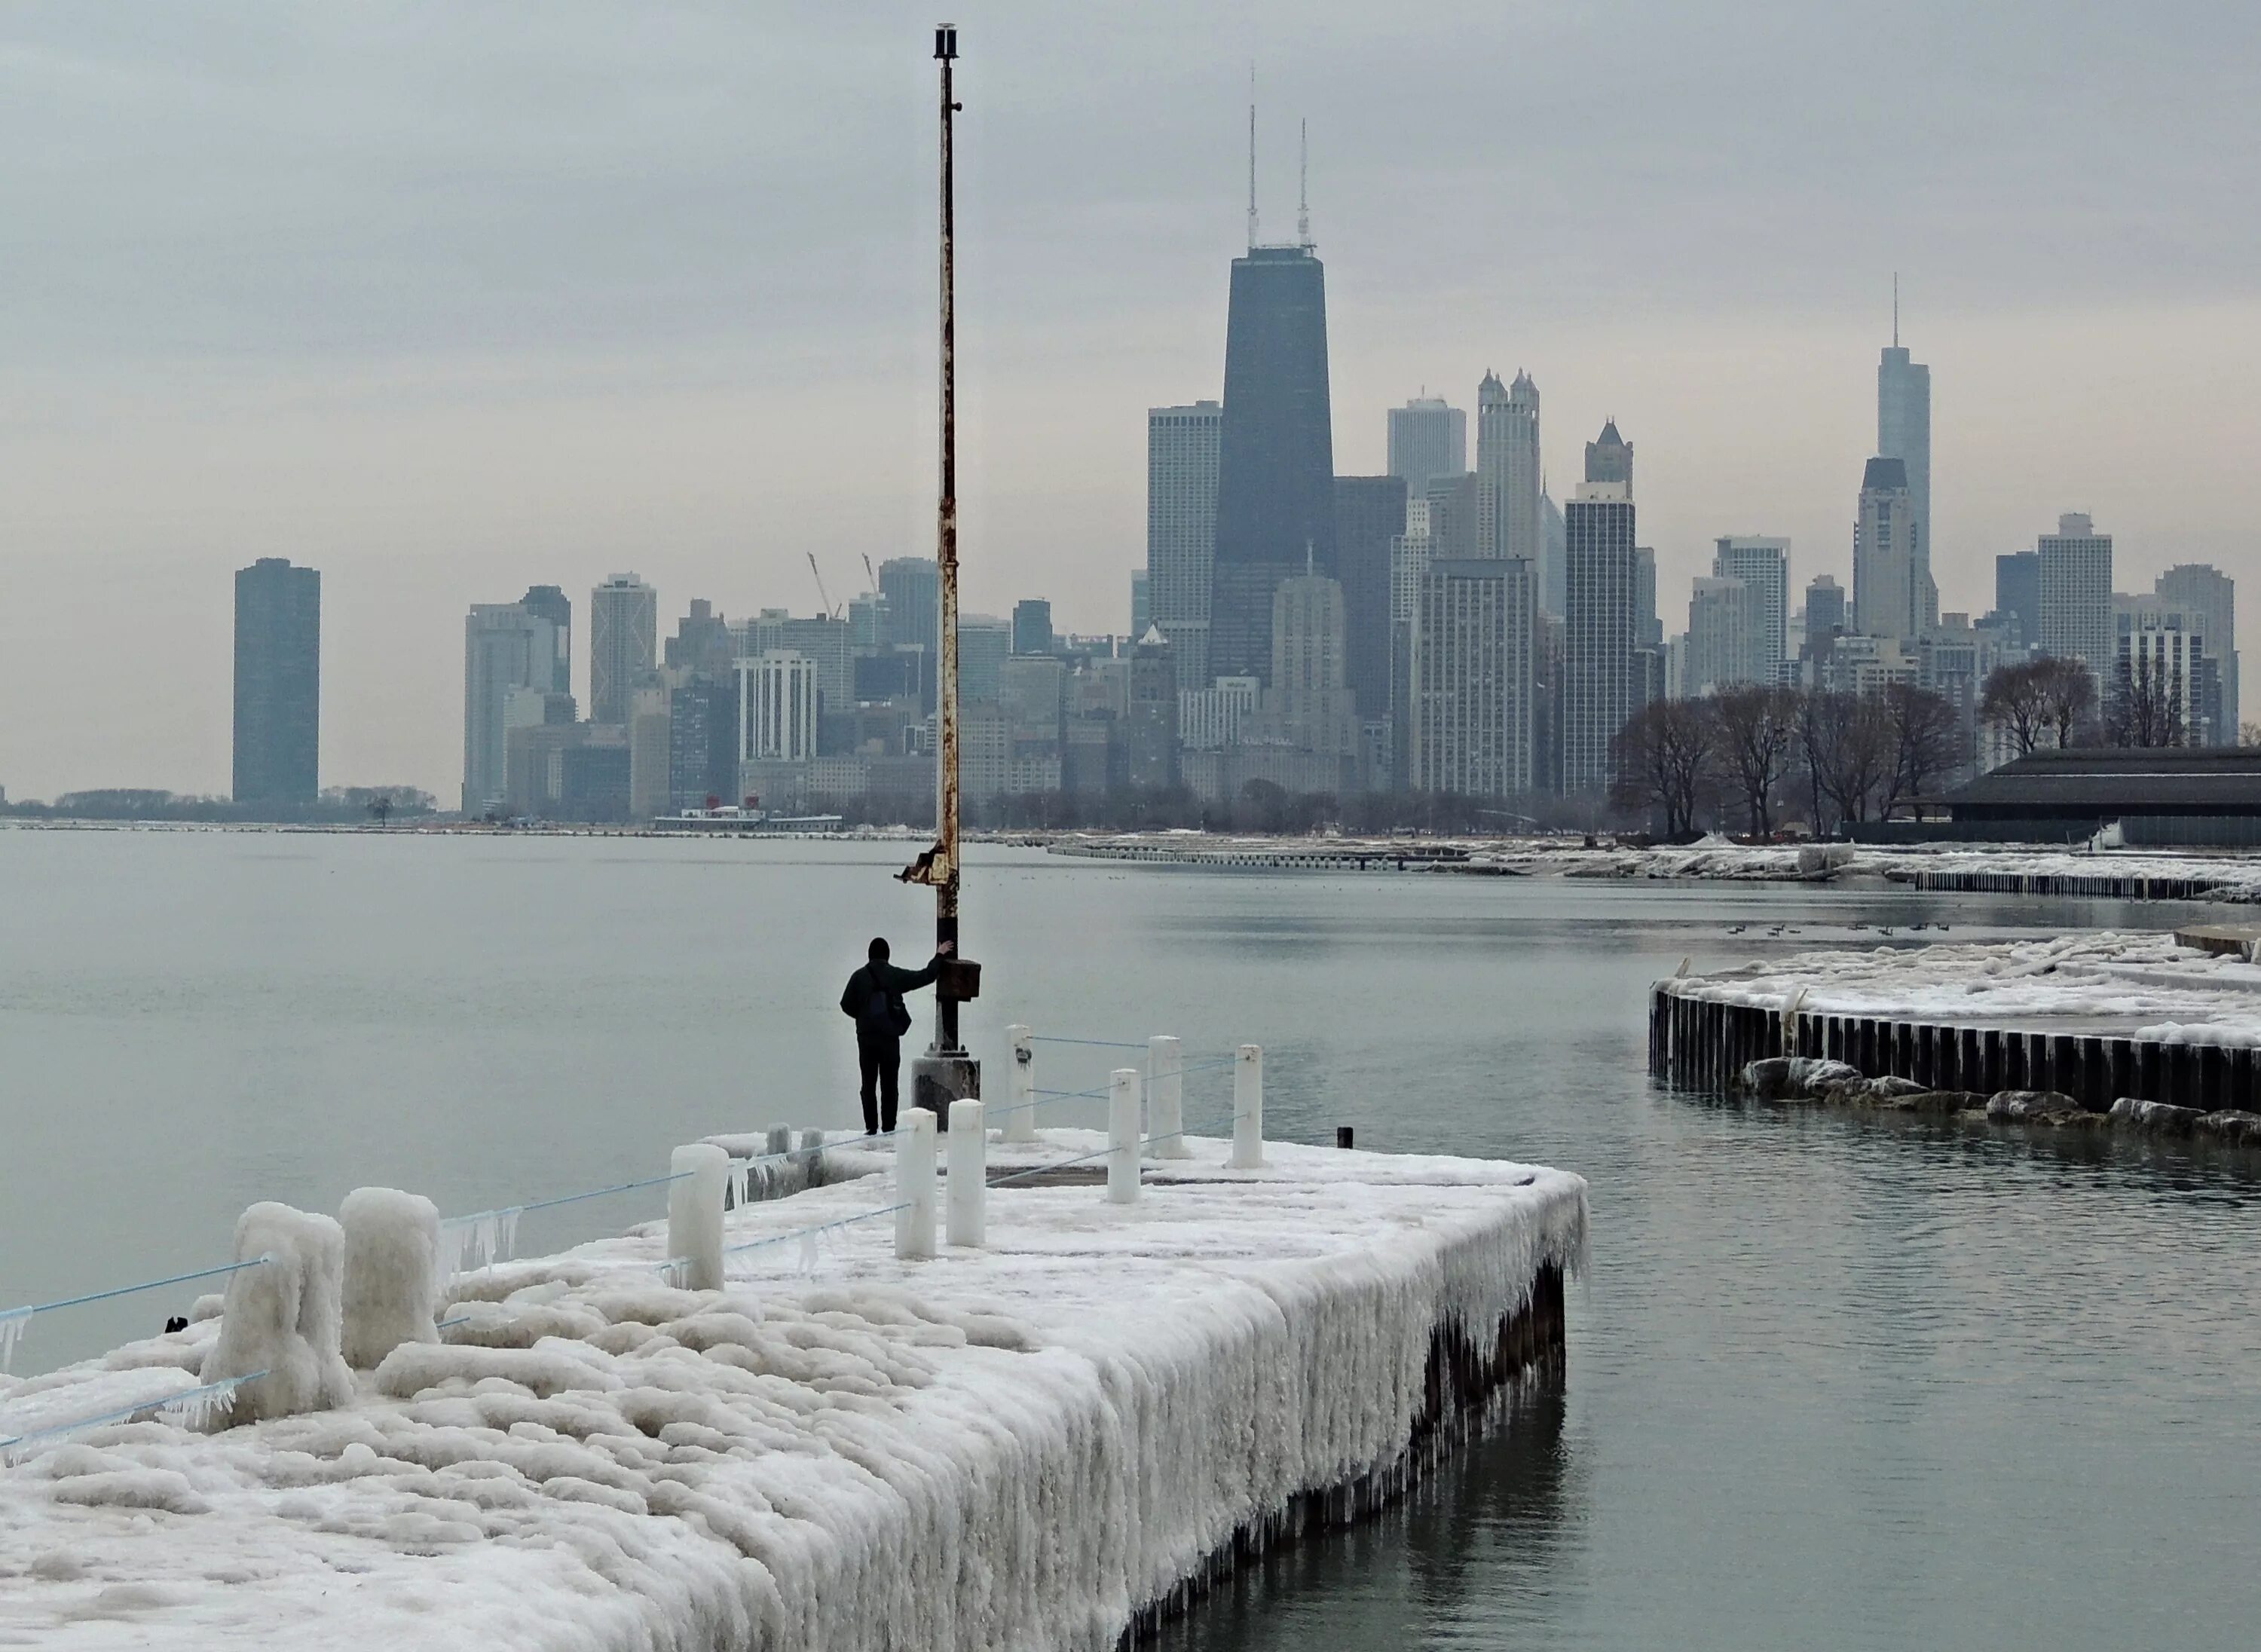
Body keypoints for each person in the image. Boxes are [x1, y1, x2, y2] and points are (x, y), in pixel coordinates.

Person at [840, 935, 953, 1135]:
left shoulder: (858, 977)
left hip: (865, 1038)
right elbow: (926, 976)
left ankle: (871, 1127)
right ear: (887, 956)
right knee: (889, 1083)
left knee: (868, 1083)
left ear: (869, 955)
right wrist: (939, 955)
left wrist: (863, 1017)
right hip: (889, 1038)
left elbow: (845, 1005)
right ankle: (889, 1127)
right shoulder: (894, 975)